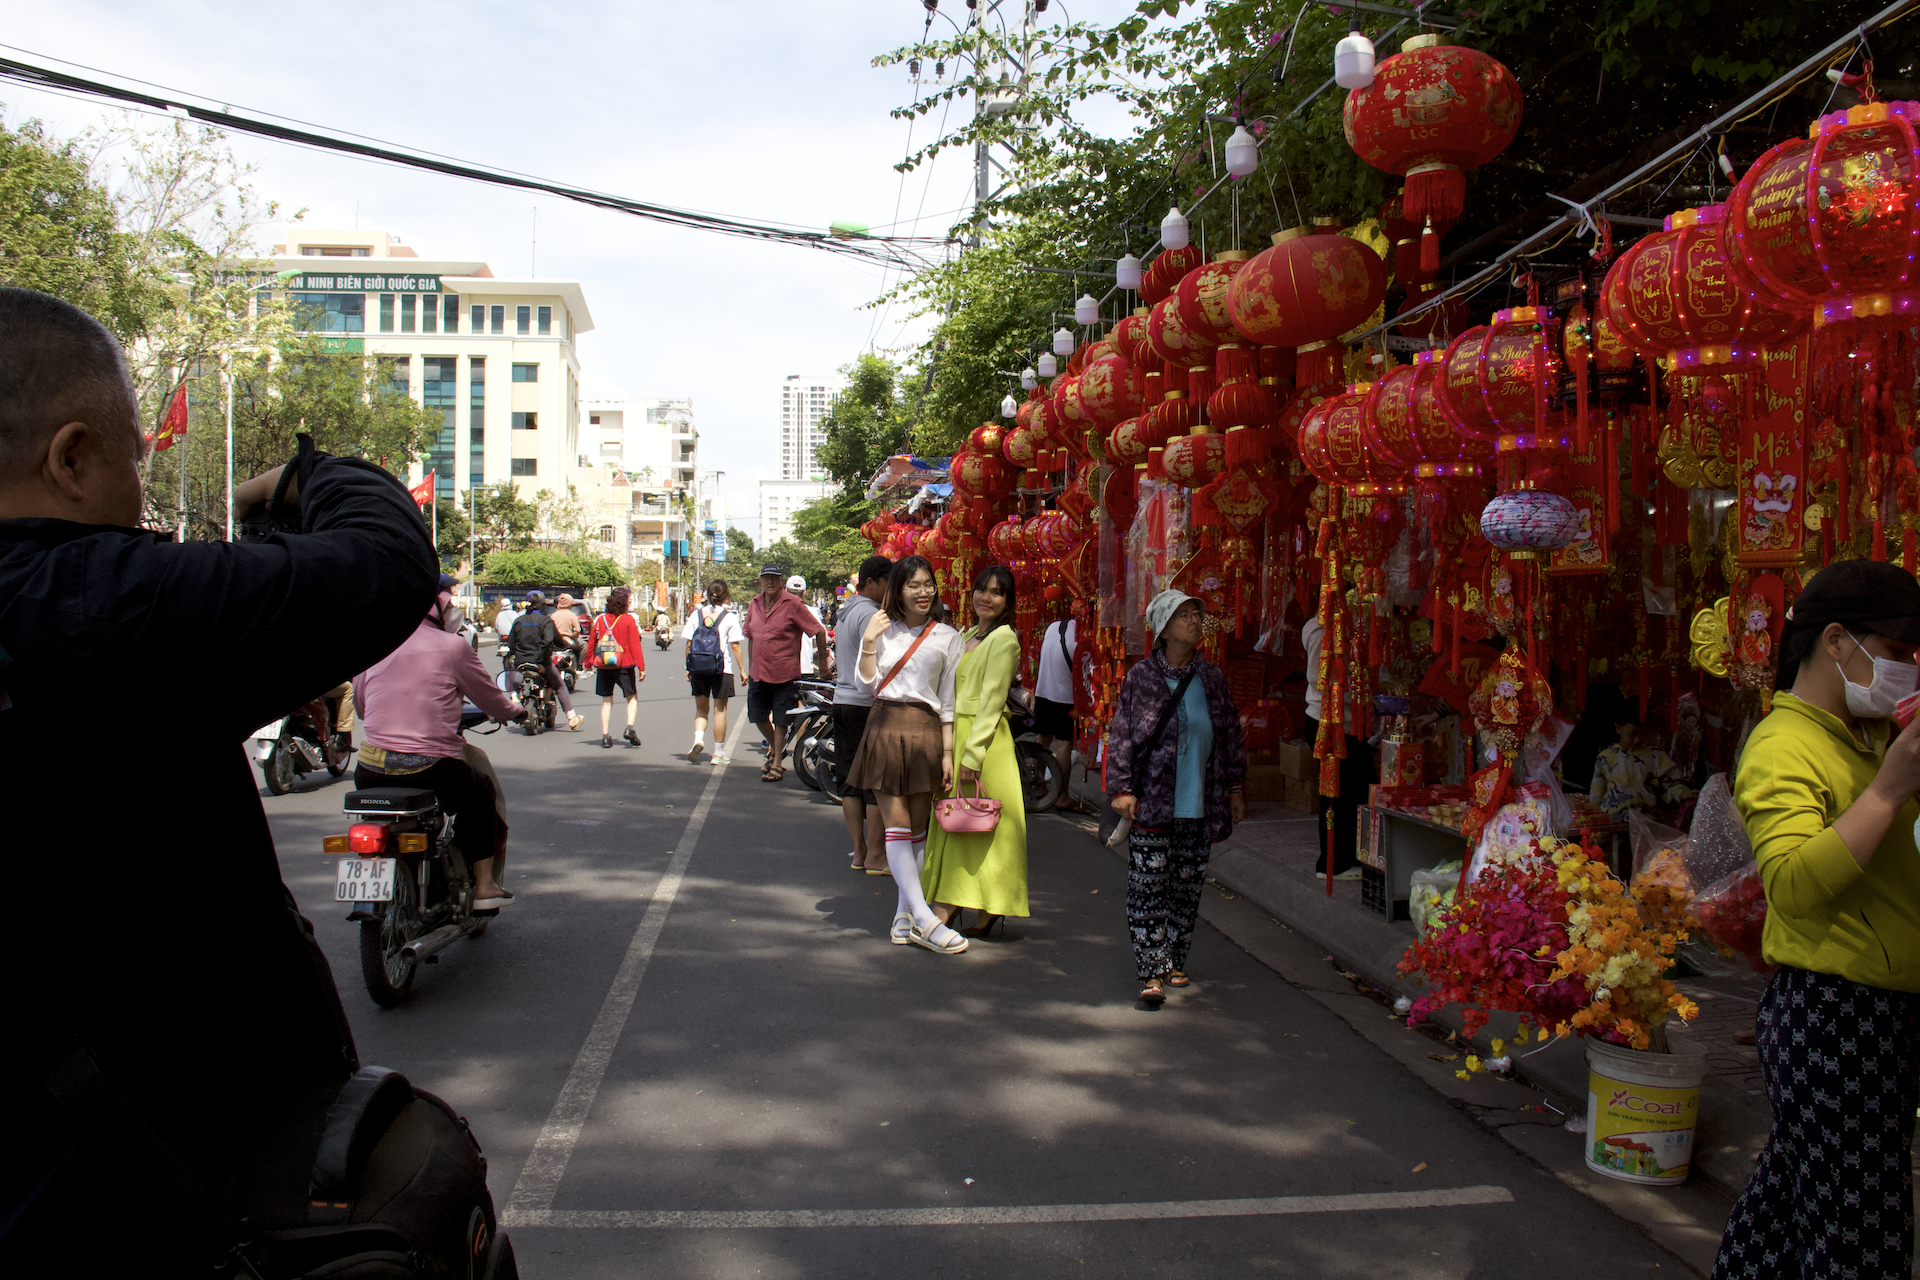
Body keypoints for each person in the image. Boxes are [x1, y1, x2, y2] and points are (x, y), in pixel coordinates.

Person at [0, 288, 442, 1272]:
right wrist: (306, 476)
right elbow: (383, 561)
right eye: (131, 457)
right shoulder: (95, 602)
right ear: (71, 459)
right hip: (163, 1190)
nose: (142, 494)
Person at [1713, 561, 1920, 1280]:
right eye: (1896, 655)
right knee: (1861, 1231)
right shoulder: (1782, 746)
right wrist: (1890, 792)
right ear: (1836, 641)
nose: (1907, 671)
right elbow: (1795, 885)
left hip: (1879, 1012)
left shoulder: (1867, 739)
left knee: (1790, 1210)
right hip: (1838, 1013)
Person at [1106, 590, 1247, 1006]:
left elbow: (1229, 737)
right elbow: (1122, 737)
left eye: (1196, 615)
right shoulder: (1141, 678)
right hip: (1152, 800)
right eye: (1184, 615)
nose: (1193, 621)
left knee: (1186, 886)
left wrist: (1236, 789)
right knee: (1148, 886)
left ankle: (1175, 958)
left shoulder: (1212, 678)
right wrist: (1121, 788)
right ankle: (1151, 971)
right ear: (1163, 628)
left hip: (1200, 802)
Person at [353, 581, 526, 908]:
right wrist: (517, 712)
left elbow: (363, 708)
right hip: (432, 768)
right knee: (481, 792)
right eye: (448, 606)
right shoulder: (453, 647)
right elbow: (492, 699)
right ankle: (485, 885)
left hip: (371, 768)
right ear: (435, 610)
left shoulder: (375, 644)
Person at [846, 555, 968, 954]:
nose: (923, 591)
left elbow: (948, 701)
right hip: (884, 724)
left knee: (917, 830)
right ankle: (927, 919)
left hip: (926, 731)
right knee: (896, 824)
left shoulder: (949, 637)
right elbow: (865, 685)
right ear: (897, 590)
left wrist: (948, 752)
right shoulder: (881, 628)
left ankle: (903, 916)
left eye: (928, 584)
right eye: (913, 585)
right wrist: (867, 641)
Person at [923, 564, 1029, 938]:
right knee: (955, 820)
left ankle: (952, 906)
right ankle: (973, 904)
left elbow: (992, 700)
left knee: (979, 824)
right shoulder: (968, 633)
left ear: (1007, 600)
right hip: (958, 736)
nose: (987, 597)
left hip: (984, 743)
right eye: (982, 588)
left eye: (997, 592)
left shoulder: (1005, 640)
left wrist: (973, 754)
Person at [1301, 609, 1372, 880]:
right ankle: (1334, 863)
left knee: (1352, 790)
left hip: (1343, 721)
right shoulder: (1321, 629)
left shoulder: (1328, 626)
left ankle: (1346, 857)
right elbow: (1321, 678)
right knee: (1336, 794)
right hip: (1330, 722)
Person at [833, 555, 892, 873]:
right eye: (888, 583)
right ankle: (875, 855)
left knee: (849, 781)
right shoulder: (871, 614)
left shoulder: (847, 611)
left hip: (842, 700)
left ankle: (859, 851)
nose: (890, 590)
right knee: (873, 782)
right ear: (872, 582)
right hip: (864, 702)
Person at [743, 562, 827, 782]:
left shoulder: (793, 604)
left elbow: (819, 631)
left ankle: (777, 765)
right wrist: (751, 666)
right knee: (757, 716)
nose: (770, 582)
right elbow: (751, 637)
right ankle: (776, 748)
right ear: (760, 581)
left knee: (781, 719)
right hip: (759, 673)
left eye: (775, 578)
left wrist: (825, 668)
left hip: (785, 673)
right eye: (766, 578)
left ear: (781, 581)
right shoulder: (754, 604)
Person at [1589, 708, 1694, 822]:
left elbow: (1672, 783)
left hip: (1648, 822)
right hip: (1613, 823)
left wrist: (1682, 793)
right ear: (1618, 728)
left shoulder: (1655, 755)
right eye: (1632, 734)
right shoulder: (1605, 758)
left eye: (1642, 734)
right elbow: (1596, 797)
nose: (1637, 740)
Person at [683, 578, 746, 763]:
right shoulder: (729, 617)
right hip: (722, 669)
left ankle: (698, 739)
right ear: (726, 596)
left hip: (698, 668)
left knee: (701, 709)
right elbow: (735, 646)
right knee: (720, 710)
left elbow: (688, 643)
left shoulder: (696, 615)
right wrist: (742, 670)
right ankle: (718, 753)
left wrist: (688, 667)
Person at [508, 589, 584, 731]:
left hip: (520, 662)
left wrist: (518, 654)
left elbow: (511, 644)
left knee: (511, 679)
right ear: (542, 605)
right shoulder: (546, 621)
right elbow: (551, 640)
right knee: (560, 685)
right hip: (541, 663)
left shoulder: (518, 621)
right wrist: (558, 647)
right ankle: (572, 718)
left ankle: (514, 698)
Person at [1034, 613, 1086, 813]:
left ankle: (1038, 785)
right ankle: (1062, 796)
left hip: (1043, 690)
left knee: (1044, 737)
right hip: (1064, 696)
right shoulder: (1080, 637)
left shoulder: (1053, 627)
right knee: (1064, 743)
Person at [589, 585, 647, 749]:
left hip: (604, 665)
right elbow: (635, 645)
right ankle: (629, 727)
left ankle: (606, 736)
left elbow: (592, 642)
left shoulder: (601, 620)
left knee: (606, 701)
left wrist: (588, 662)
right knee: (632, 698)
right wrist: (641, 667)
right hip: (624, 664)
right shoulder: (628, 620)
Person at [789, 573, 824, 677]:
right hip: (805, 669)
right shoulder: (812, 612)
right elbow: (821, 637)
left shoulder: (777, 611)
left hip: (784, 672)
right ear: (803, 593)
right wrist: (823, 667)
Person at [552, 591, 585, 665]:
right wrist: (574, 636)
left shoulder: (553, 615)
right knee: (584, 645)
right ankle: (580, 666)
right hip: (568, 641)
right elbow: (578, 630)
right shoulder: (571, 615)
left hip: (555, 642)